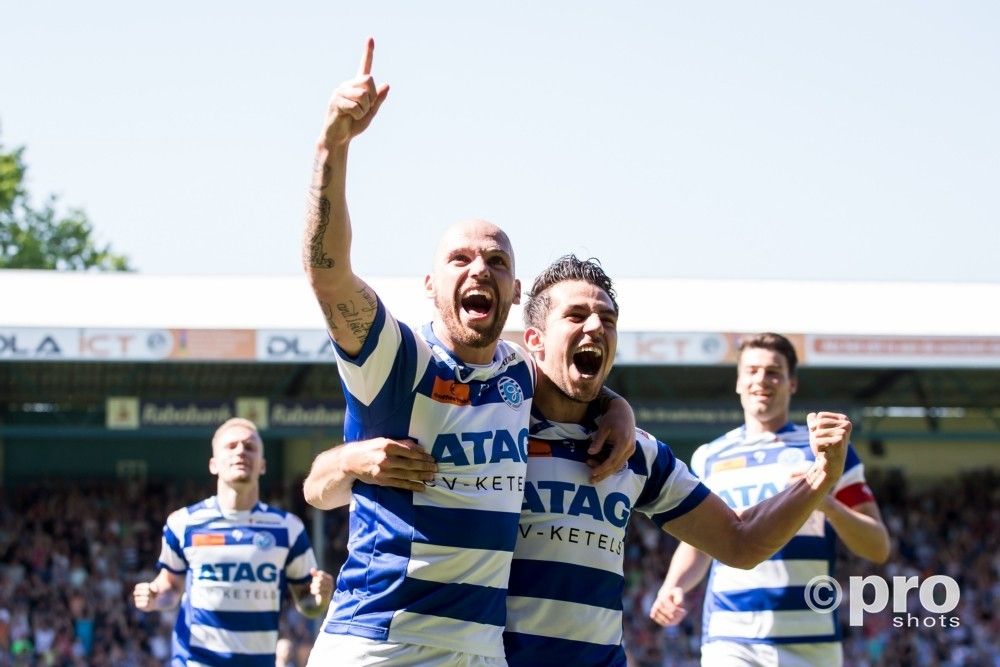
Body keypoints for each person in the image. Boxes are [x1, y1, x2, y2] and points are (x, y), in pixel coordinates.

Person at [330, 256, 855, 667]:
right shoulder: (488, 427)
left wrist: (820, 477)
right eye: (576, 316)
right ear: (533, 341)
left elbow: (741, 543)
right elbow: (325, 487)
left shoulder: (636, 452)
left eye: (607, 319)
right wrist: (345, 461)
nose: (596, 327)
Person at [300, 39, 635, 666]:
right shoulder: (396, 359)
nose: (479, 268)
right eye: (460, 258)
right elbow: (329, 272)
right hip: (379, 642)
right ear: (431, 286)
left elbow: (575, 377)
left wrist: (618, 407)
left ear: (515, 292)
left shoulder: (518, 375)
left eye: (496, 261)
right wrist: (332, 147)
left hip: (479, 651)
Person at [649, 332, 891, 667]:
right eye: (752, 370)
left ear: (792, 383)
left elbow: (878, 547)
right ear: (738, 382)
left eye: (774, 372)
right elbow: (700, 541)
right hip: (730, 639)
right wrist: (674, 585)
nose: (761, 379)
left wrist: (825, 500)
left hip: (811, 642)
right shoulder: (710, 456)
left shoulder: (828, 451)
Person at [132, 418, 333, 666]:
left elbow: (307, 603)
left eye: (250, 447)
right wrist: (154, 596)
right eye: (231, 446)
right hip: (196, 661)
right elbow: (170, 588)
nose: (240, 451)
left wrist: (320, 599)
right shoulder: (183, 523)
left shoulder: (288, 528)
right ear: (213, 464)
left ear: (263, 465)